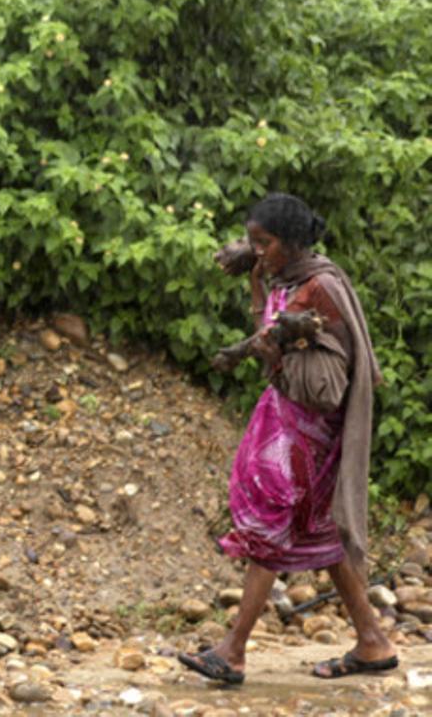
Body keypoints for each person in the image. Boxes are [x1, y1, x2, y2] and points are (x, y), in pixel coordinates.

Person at [180, 193, 398, 683]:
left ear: (294, 241)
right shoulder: (286, 278)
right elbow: (269, 330)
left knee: (272, 524)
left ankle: (232, 651)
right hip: (286, 418)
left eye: (265, 243)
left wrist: (246, 348)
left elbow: (280, 341)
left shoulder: (320, 285)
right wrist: (256, 277)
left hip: (312, 433)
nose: (257, 251)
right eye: (253, 242)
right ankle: (372, 640)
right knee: (318, 531)